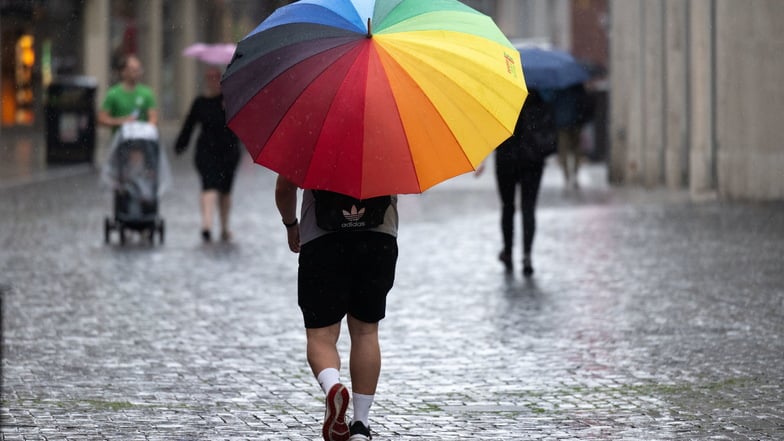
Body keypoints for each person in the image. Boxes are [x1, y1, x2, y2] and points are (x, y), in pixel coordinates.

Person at [275, 177, 399, 441]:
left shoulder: (307, 135)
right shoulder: (391, 136)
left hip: (322, 241)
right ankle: (360, 426)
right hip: (378, 239)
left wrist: (290, 224)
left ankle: (333, 387)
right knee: (366, 332)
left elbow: (284, 189)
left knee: (321, 335)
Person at [477, 90, 556, 276]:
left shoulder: (502, 98)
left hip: (507, 160)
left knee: (508, 207)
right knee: (528, 208)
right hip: (532, 161)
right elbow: (549, 133)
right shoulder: (540, 98)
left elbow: (491, 131)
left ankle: (508, 251)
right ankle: (527, 255)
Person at [174, 66, 241, 242]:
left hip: (229, 151)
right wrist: (180, 145)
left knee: (225, 190)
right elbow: (189, 126)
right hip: (206, 151)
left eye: (215, 77)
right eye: (209, 77)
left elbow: (243, 122)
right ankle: (207, 225)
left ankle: (225, 227)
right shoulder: (200, 102)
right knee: (209, 185)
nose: (212, 81)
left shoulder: (231, 100)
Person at [98, 54, 158, 130]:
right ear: (124, 71)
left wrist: (142, 130)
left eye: (138, 69)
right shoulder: (113, 93)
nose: (137, 72)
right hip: (121, 139)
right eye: (133, 69)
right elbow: (101, 119)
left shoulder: (147, 93)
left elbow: (153, 119)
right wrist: (122, 121)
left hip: (143, 138)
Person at [548, 83, 590, 188]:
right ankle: (574, 174)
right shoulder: (577, 86)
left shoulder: (557, 87)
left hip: (562, 122)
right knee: (575, 149)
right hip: (575, 121)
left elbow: (552, 102)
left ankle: (567, 175)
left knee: (564, 149)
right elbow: (583, 102)